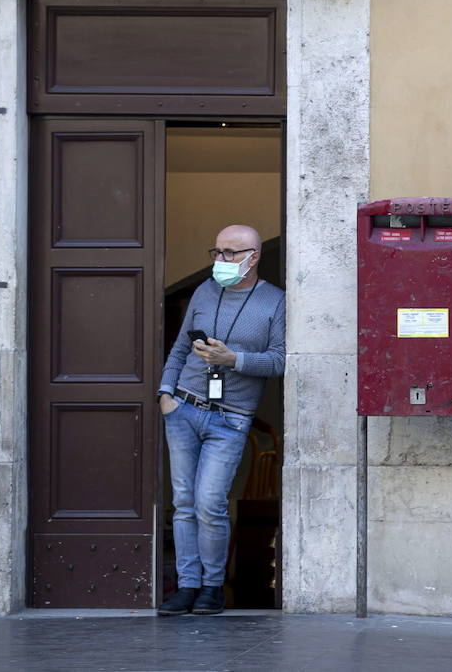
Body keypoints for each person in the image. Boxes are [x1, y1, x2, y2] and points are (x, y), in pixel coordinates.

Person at [155, 224, 285, 616]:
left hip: (231, 418)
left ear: (254, 256)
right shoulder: (204, 290)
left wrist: (234, 360)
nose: (222, 260)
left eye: (231, 253)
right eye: (217, 252)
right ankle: (186, 586)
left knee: (210, 503)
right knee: (183, 503)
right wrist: (165, 394)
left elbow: (281, 360)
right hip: (183, 409)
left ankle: (212, 587)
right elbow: (179, 347)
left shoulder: (275, 302)